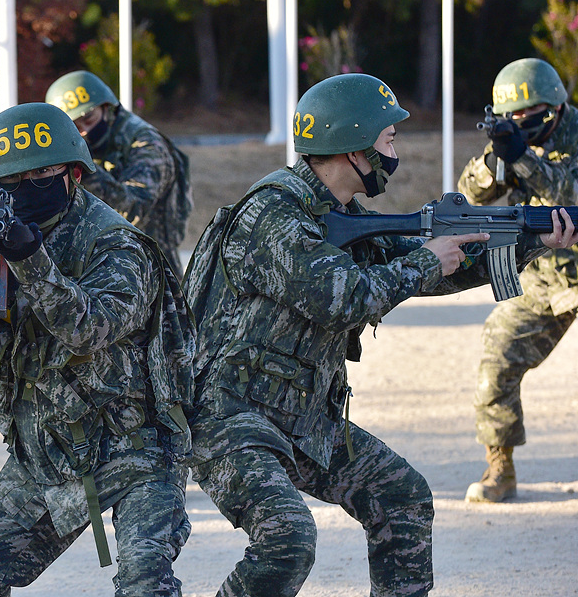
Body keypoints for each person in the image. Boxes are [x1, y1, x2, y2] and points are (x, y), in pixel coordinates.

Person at [182, 73, 577, 596]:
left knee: (403, 498)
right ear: (353, 146)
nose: (395, 151)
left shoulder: (340, 213)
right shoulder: (275, 215)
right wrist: (424, 259)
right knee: (287, 538)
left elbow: (434, 270)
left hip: (300, 418)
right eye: (387, 139)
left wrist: (531, 239)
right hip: (231, 420)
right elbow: (344, 298)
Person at [0, 102, 195, 596]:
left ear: (72, 174)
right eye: (13, 181)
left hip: (134, 451)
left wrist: (31, 261)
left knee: (145, 582)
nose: (28, 188)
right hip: (45, 455)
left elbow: (91, 328)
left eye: (42, 172)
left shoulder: (117, 244)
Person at [457, 57, 578, 503]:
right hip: (548, 278)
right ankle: (499, 468)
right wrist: (496, 160)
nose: (519, 126)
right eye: (510, 120)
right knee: (498, 355)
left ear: (555, 109)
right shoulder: (511, 145)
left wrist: (522, 157)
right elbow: (466, 197)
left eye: (527, 118)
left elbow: (564, 193)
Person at [45, 70, 192, 274]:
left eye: (88, 117)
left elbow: (135, 207)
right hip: (104, 259)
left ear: (106, 106)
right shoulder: (87, 144)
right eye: (75, 126)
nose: (84, 131)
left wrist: (86, 170)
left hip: (152, 264)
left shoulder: (146, 144)